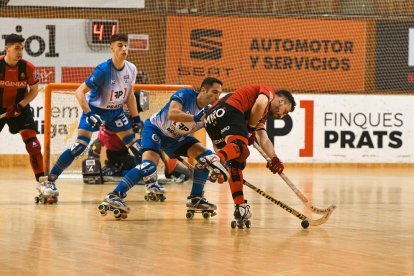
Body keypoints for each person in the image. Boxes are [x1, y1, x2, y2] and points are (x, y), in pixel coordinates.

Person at [98, 77, 229, 218]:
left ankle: (195, 198)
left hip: (178, 139)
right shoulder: (185, 94)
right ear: (203, 90)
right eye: (214, 92)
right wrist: (197, 118)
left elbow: (216, 141)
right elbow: (172, 114)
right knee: (148, 166)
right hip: (155, 130)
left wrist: (222, 161)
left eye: (219, 93)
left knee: (208, 159)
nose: (217, 96)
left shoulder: (211, 112)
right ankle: (115, 195)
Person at [38, 33, 143, 203]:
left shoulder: (131, 68)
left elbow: (130, 96)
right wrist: (89, 114)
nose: (124, 49)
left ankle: (152, 183)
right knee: (79, 147)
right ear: (112, 48)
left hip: (116, 112)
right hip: (96, 110)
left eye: (126, 45)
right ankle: (50, 181)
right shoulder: (103, 70)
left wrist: (136, 118)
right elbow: (79, 92)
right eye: (120, 45)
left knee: (136, 146)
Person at [203, 85, 296, 227]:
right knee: (242, 149)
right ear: (282, 101)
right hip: (230, 109)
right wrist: (250, 129)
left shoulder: (262, 116)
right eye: (285, 112)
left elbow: (263, 138)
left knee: (237, 161)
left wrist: (274, 159)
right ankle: (217, 159)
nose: (281, 116)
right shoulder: (269, 92)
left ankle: (240, 207)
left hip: (211, 118)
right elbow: (259, 103)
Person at [0, 33, 44, 182]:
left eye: (22, 49)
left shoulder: (28, 67)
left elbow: (34, 91)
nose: (20, 52)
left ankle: (42, 183)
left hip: (20, 109)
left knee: (33, 145)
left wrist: (20, 105)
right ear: (7, 48)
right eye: (16, 48)